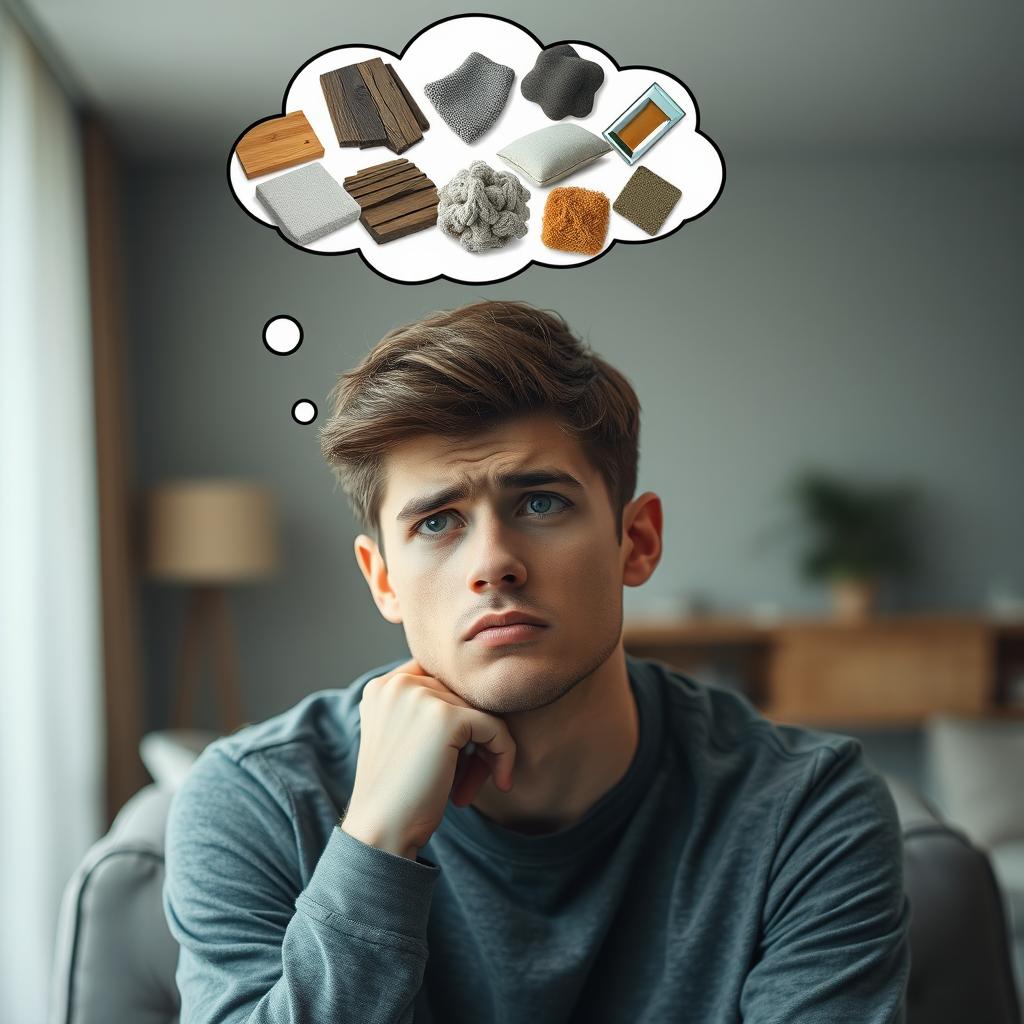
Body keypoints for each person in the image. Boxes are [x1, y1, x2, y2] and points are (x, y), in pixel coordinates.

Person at [163, 298, 911, 1023]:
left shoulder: (806, 809)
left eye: (541, 503)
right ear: (383, 578)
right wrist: (375, 844)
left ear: (637, 542)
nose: (493, 563)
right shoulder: (255, 803)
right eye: (437, 521)